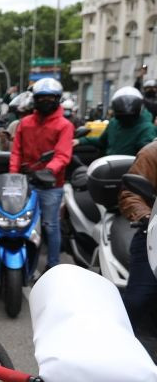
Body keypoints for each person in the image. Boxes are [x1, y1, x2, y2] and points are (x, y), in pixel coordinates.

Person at [9, 78, 73, 271]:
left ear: (57, 99)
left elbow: (62, 155)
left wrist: (47, 171)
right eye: (41, 98)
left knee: (50, 225)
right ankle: (24, 264)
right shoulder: (25, 123)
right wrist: (13, 176)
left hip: (51, 185)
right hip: (25, 182)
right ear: (34, 100)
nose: (45, 101)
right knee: (22, 224)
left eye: (49, 98)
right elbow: (16, 152)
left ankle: (53, 265)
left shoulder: (64, 125)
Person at [119, 140, 157, 357]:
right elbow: (130, 194)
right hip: (153, 235)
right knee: (137, 301)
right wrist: (145, 216)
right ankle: (125, 356)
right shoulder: (152, 153)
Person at [74, 87, 156, 156]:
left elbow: (146, 154)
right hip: (108, 167)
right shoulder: (114, 123)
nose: (125, 119)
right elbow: (102, 141)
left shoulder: (147, 129)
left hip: (131, 171)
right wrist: (80, 141)